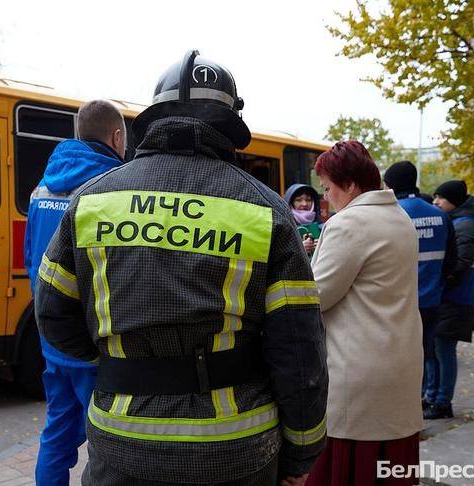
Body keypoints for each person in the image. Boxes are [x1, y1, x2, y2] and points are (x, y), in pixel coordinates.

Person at [35, 50, 328, 486]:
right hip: (238, 450)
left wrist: (120, 362)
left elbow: (53, 315)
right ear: (229, 127)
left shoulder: (91, 203)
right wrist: (301, 454)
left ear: (155, 119)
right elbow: (300, 352)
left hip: (121, 442)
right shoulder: (266, 211)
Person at [307, 142, 423, 486]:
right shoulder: (399, 217)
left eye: (327, 188)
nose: (326, 198)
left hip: (357, 373)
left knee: (349, 471)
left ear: (351, 185)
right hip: (399, 363)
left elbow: (315, 295)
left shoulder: (349, 223)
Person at [24, 99, 126, 486]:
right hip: (94, 343)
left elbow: (31, 256)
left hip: (52, 339)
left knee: (57, 432)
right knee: (108, 445)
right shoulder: (110, 189)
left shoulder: (41, 188)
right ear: (116, 137)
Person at [383, 161, 457, 414]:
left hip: (399, 304)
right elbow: (451, 262)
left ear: (390, 185)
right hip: (432, 302)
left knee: (397, 361)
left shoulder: (392, 214)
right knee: (425, 356)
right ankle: (420, 404)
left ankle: (402, 411)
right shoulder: (440, 215)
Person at [428, 180, 474, 419]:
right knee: (435, 349)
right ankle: (433, 397)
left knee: (443, 350)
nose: (435, 202)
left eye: (440, 198)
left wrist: (439, 282)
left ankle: (442, 402)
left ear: (454, 200)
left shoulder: (466, 226)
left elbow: (459, 264)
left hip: (455, 299)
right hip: (449, 297)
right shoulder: (457, 222)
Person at [283, 184, 322, 254]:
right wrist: (299, 250)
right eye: (298, 200)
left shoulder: (322, 227)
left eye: (308, 200)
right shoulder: (283, 227)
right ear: (290, 203)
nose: (304, 204)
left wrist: (323, 247)